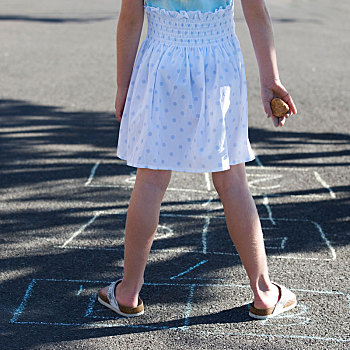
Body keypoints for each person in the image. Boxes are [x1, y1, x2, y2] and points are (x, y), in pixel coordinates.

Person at [98, 0, 298, 319]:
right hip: (219, 60)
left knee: (150, 179)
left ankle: (128, 292)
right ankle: (263, 292)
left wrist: (124, 85)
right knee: (232, 180)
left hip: (161, 59)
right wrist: (271, 79)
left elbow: (130, 20)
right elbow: (256, 13)